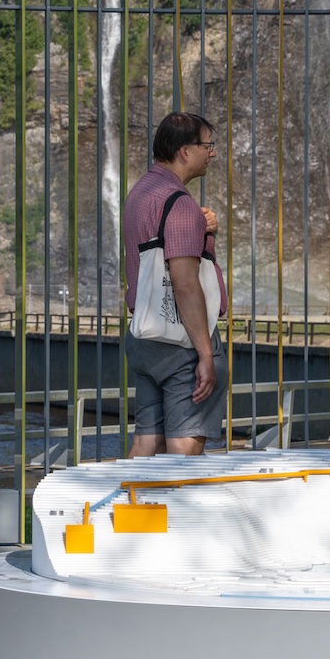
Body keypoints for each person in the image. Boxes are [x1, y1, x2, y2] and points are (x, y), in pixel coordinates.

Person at [122, 112, 228, 457]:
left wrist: (203, 229)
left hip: (145, 332)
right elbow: (185, 285)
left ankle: (131, 508)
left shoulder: (140, 192)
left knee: (147, 440)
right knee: (184, 446)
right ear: (185, 151)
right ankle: (176, 510)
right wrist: (206, 355)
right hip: (180, 339)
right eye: (207, 145)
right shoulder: (179, 205)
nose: (212, 153)